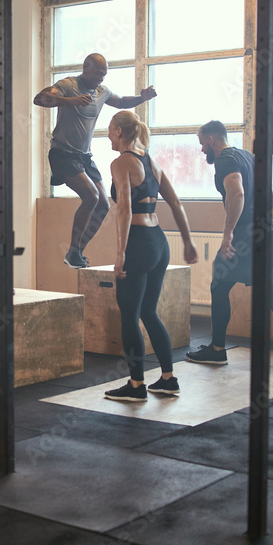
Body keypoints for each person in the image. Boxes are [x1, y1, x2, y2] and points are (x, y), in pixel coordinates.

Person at [186, 120, 273, 365]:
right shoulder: (248, 157)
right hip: (267, 230)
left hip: (244, 233)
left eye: (202, 144)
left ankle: (217, 349)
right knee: (267, 291)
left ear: (212, 140)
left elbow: (237, 193)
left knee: (219, 287)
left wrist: (228, 234)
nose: (202, 150)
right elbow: (271, 195)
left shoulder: (225, 160)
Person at [104, 111, 199, 402]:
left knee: (130, 315)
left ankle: (136, 385)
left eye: (109, 130)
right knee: (148, 312)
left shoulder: (121, 163)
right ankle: (168, 379)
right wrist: (188, 241)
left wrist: (120, 253)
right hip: (159, 243)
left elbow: (124, 208)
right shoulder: (152, 162)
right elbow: (176, 202)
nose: (107, 136)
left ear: (119, 132)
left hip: (138, 243)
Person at [34, 53, 157, 269]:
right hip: (63, 153)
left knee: (103, 203)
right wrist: (69, 101)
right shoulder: (68, 85)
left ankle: (75, 252)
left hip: (84, 156)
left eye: (104, 75)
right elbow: (40, 98)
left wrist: (142, 98)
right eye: (98, 73)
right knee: (90, 196)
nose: (101, 78)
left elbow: (120, 102)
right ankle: (73, 250)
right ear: (85, 67)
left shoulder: (102, 92)